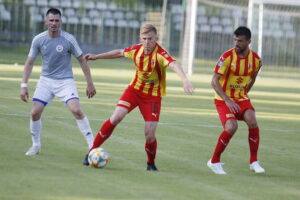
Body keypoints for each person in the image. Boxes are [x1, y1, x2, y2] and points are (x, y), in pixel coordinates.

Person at [83, 23, 194, 171]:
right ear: (140, 38)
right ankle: (92, 151)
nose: (147, 42)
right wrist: (97, 56)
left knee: (149, 135)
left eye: (150, 39)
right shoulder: (136, 50)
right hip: (134, 91)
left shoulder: (160, 54)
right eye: (144, 39)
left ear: (156, 38)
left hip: (153, 97)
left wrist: (185, 80)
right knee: (116, 117)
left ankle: (150, 163)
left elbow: (174, 64)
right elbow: (119, 52)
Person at [20, 8, 96, 156]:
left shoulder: (68, 39)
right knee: (35, 112)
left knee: (76, 110)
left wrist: (90, 83)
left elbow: (81, 60)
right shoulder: (39, 39)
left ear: (60, 22)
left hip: (65, 81)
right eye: (51, 20)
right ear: (45, 21)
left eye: (56, 20)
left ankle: (93, 146)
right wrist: (24, 85)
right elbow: (29, 63)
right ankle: (36, 145)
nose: (53, 23)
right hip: (45, 81)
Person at [207, 26, 265, 174]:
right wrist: (227, 99)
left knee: (252, 120)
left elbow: (252, 78)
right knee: (231, 127)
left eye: (240, 41)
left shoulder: (256, 60)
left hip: (241, 97)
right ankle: (214, 161)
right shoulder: (226, 57)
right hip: (223, 98)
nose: (236, 44)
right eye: (235, 40)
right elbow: (214, 81)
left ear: (249, 42)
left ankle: (254, 162)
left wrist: (244, 94)